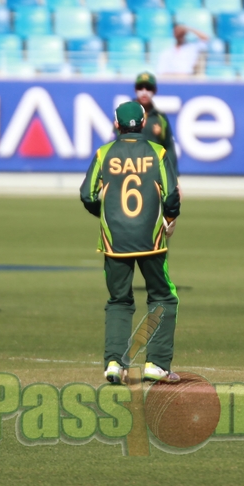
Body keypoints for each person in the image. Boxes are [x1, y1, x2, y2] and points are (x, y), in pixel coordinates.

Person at [80, 101, 183, 385]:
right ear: (143, 122)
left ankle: (114, 363)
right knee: (163, 296)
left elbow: (87, 194)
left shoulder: (104, 153)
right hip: (151, 239)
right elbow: (172, 194)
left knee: (119, 301)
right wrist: (170, 218)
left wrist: (104, 213)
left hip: (114, 241)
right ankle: (156, 364)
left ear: (117, 124)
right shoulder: (157, 152)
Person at [128, 72, 175, 156]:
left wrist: (170, 168)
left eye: (148, 88)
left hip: (154, 167)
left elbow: (169, 148)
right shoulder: (125, 115)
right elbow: (115, 144)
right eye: (140, 87)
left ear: (154, 90)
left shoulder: (160, 117)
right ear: (135, 89)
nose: (144, 92)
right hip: (130, 166)